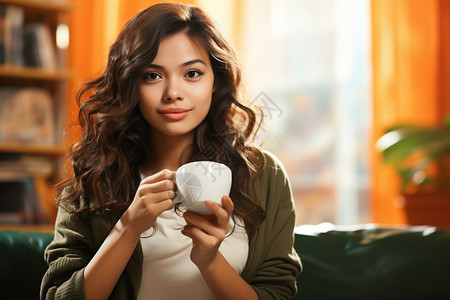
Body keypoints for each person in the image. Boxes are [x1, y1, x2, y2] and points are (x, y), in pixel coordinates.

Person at [40, 3, 301, 300]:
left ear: (216, 81)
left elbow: (277, 292)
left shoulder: (264, 175)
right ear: (130, 84)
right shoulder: (93, 176)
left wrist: (210, 260)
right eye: (153, 76)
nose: (173, 92)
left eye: (192, 73)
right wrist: (128, 227)